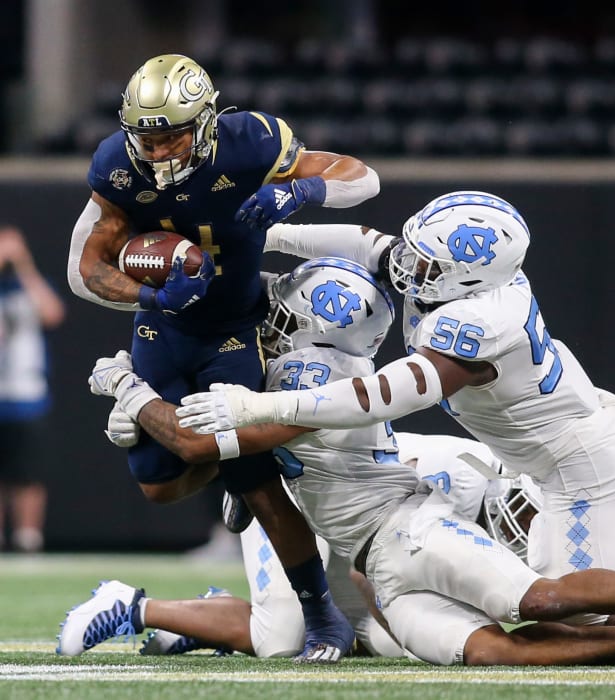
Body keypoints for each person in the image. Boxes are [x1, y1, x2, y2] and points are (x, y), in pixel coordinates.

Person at [62, 256, 615, 666]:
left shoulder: (306, 380)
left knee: (496, 630)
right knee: (288, 633)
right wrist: (151, 415)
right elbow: (200, 452)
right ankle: (178, 612)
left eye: (285, 312)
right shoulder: (452, 466)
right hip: (361, 531)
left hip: (383, 540)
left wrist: (133, 392)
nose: (272, 318)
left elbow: (205, 442)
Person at [176, 191, 615, 629]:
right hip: (592, 433)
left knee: (570, 611)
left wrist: (261, 405)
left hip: (578, 464)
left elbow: (381, 396)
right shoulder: (467, 280)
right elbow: (369, 244)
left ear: (470, 278)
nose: (407, 263)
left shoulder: (479, 321)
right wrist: (266, 237)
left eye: (426, 262)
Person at [65, 53, 380, 662]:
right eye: (145, 138)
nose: (156, 153)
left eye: (171, 135)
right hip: (164, 326)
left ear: (207, 122)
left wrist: (303, 192)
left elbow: (362, 178)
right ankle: (240, 457)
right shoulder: (116, 165)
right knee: (159, 485)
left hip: (235, 327)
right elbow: (87, 270)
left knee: (252, 474)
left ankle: (320, 614)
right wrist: (151, 294)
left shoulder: (250, 143)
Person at [0, 225, 66, 552]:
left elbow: (52, 312)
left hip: (27, 394)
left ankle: (28, 538)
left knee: (28, 471)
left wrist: (23, 264)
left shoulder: (27, 287)